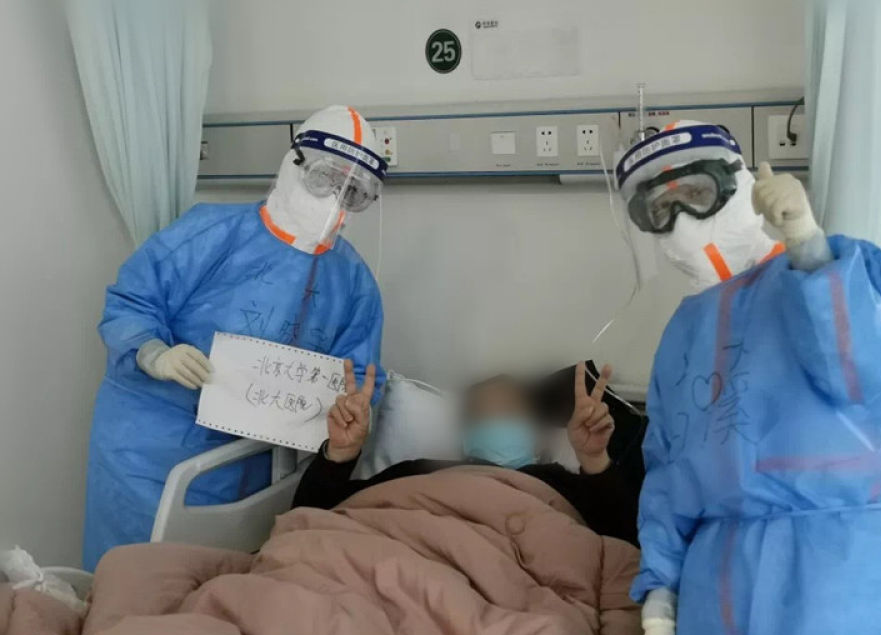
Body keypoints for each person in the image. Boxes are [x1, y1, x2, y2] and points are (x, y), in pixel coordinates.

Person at [619, 121, 881, 635]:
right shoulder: (684, 333)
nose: (680, 223)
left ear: (739, 185)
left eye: (695, 194)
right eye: (658, 210)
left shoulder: (833, 274)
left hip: (838, 581)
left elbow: (859, 369)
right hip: (718, 590)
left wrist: (806, 244)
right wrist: (659, 619)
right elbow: (667, 482)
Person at [84, 105, 388, 570]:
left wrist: (351, 410)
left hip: (254, 471)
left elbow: (360, 378)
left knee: (221, 593)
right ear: (294, 165)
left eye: (353, 192)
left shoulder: (354, 281)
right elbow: (132, 303)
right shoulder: (211, 234)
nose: (335, 201)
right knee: (130, 583)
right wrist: (154, 353)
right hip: (148, 459)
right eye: (325, 179)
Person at [293, 362, 640, 545]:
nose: (494, 420)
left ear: (538, 438)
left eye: (509, 413)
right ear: (464, 438)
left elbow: (624, 542)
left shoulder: (559, 485)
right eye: (479, 416)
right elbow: (311, 517)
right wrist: (341, 453)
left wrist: (594, 460)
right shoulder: (420, 472)